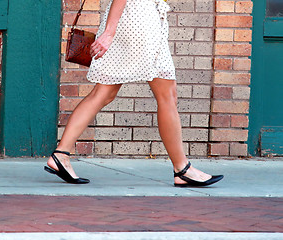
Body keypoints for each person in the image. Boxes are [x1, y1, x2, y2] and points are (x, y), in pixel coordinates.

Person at [44, 0, 223, 187]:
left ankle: (61, 154)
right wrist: (109, 33)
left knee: (104, 93)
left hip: (132, 19)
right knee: (167, 96)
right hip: (139, 20)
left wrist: (111, 30)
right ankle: (182, 169)